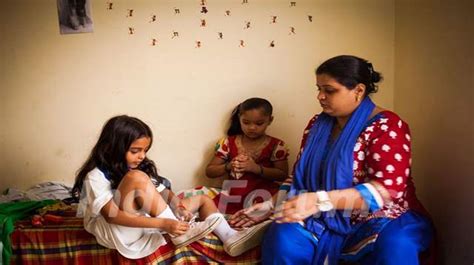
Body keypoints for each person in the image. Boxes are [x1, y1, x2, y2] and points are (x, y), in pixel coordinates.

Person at [230, 56, 434, 264]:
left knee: (394, 246)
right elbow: (298, 178)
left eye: (329, 90)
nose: (320, 96)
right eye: (318, 89)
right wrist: (270, 206)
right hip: (319, 214)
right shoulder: (317, 125)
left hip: (381, 216)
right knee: (282, 237)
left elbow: (387, 191)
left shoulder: (387, 126)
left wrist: (319, 201)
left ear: (359, 91)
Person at [71, 115, 270, 259]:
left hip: (138, 221)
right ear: (111, 147)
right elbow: (111, 215)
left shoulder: (137, 166)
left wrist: (177, 206)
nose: (142, 156)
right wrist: (164, 224)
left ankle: (230, 237)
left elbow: (162, 192)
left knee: (202, 199)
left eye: (144, 151)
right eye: (135, 151)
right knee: (137, 178)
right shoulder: (95, 175)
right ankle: (180, 232)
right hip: (116, 229)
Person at [206, 98, 289, 214]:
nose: (252, 128)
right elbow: (210, 171)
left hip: (263, 195)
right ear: (239, 119)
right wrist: (229, 166)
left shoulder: (276, 146)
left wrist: (256, 169)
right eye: (246, 122)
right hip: (234, 195)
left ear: (270, 120)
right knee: (205, 205)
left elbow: (283, 175)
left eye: (259, 123)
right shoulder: (227, 143)